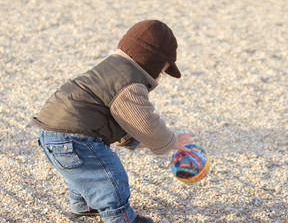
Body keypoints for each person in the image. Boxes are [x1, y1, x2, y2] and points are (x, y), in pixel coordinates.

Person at [32, 20, 193, 223]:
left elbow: (116, 117)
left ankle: (84, 204)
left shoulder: (112, 68)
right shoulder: (129, 81)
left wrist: (134, 141)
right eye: (161, 71)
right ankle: (120, 217)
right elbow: (144, 120)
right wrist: (171, 141)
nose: (159, 78)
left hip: (52, 130)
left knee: (83, 171)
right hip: (74, 135)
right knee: (107, 175)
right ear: (150, 61)